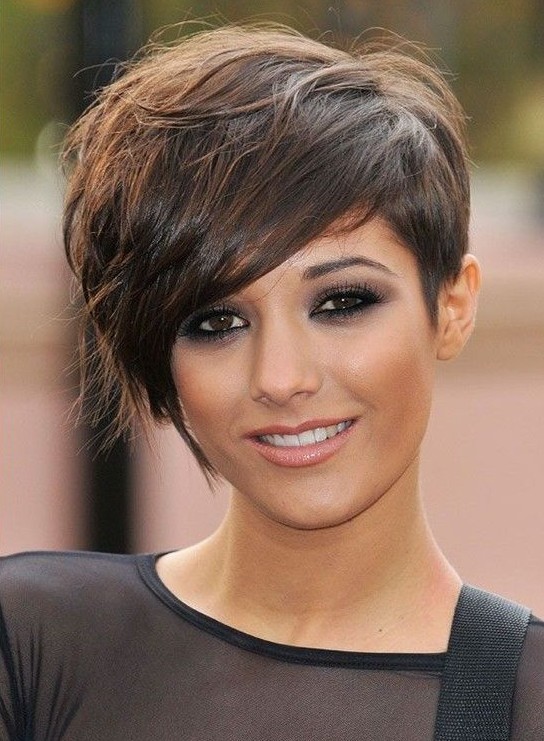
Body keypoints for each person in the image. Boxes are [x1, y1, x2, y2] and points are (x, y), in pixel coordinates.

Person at [0, 24, 542, 740]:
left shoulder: (527, 700)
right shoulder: (35, 644)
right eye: (216, 321)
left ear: (453, 305)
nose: (281, 379)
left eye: (342, 302)